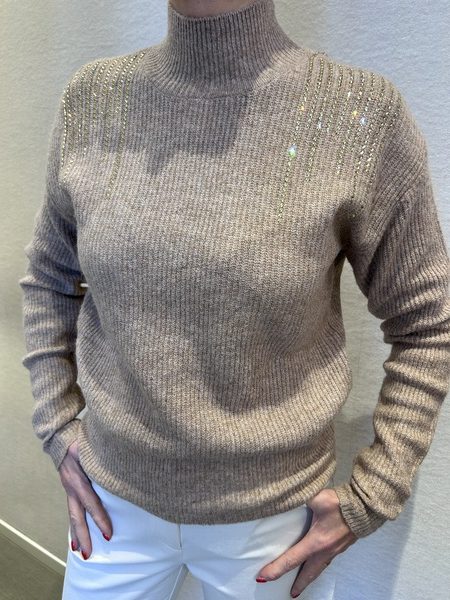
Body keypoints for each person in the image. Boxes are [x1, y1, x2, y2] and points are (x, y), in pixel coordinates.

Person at [19, 0, 450, 598]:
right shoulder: (94, 98)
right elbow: (49, 276)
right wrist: (57, 427)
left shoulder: (361, 115)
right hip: (110, 502)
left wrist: (374, 493)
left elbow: (428, 323)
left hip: (270, 524)